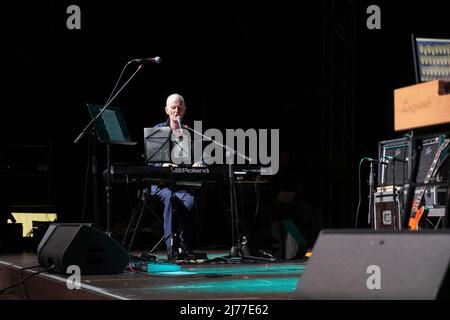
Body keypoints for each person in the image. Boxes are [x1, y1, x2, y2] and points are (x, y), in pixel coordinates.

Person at [148, 93, 204, 261]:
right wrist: (162, 165)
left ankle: (183, 246)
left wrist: (198, 164)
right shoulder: (158, 130)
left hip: (181, 184)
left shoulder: (190, 132)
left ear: (185, 110)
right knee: (171, 199)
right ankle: (171, 248)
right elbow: (150, 164)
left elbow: (201, 158)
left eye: (180, 107)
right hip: (161, 185)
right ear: (167, 110)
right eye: (173, 107)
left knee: (190, 202)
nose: (176, 110)